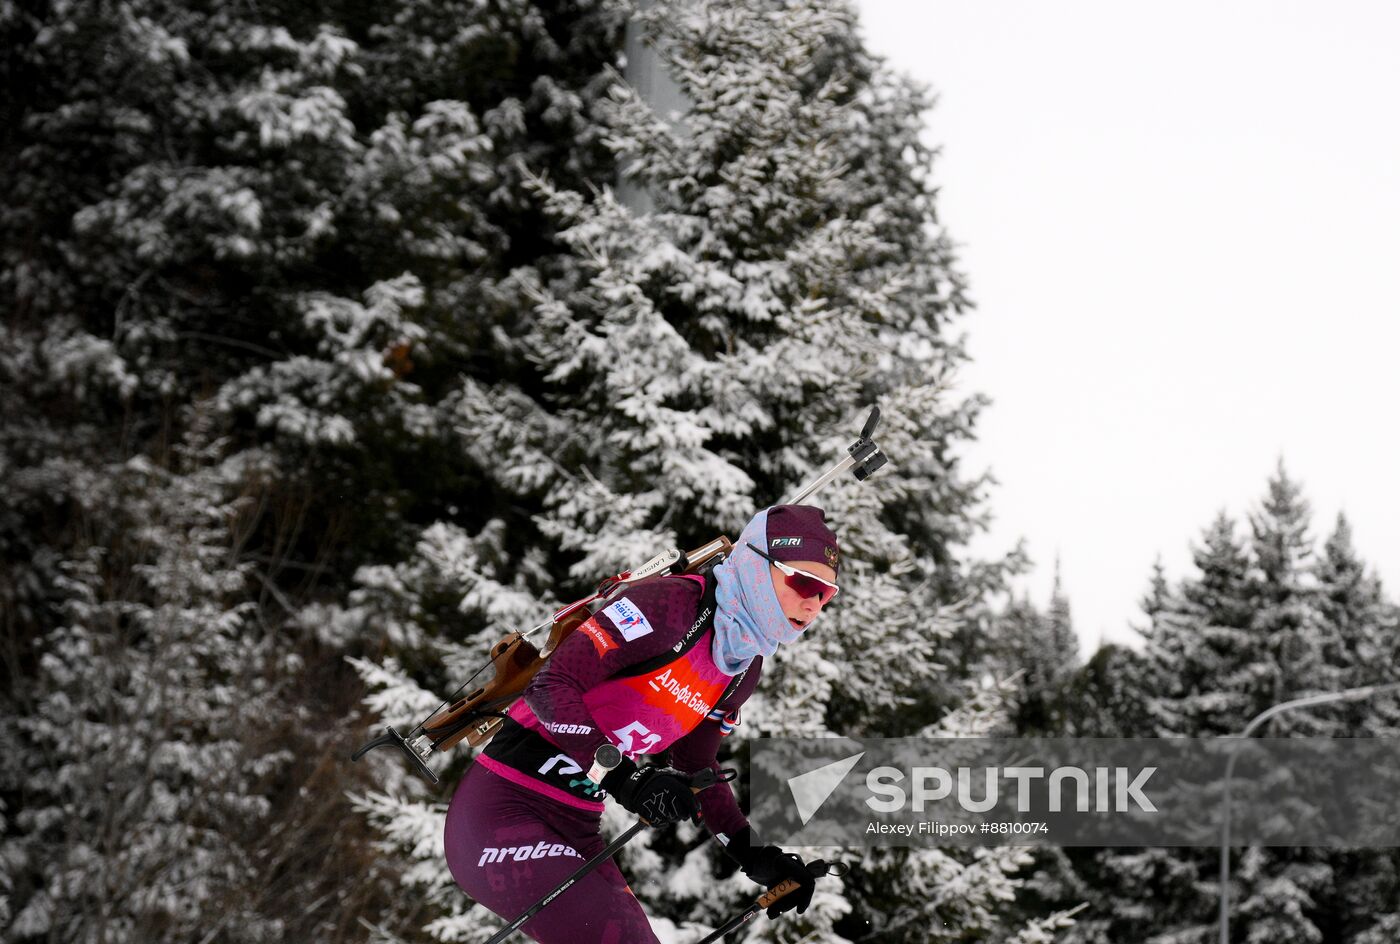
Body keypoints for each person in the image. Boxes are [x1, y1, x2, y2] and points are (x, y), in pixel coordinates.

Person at [443, 504, 843, 943]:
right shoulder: (670, 606)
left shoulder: (741, 666)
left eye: (826, 594)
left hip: (577, 827)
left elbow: (695, 763)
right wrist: (625, 779)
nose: (813, 603)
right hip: (502, 810)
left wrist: (753, 853)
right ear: (756, 564)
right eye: (803, 582)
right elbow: (549, 686)